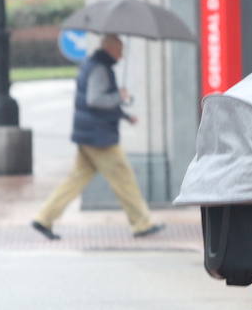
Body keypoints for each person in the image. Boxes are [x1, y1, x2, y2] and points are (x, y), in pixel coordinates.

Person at [32, 33, 164, 240]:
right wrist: (118, 97)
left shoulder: (94, 64)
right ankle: (142, 223)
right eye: (120, 50)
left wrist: (125, 115)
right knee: (124, 178)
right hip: (99, 137)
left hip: (90, 133)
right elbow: (95, 100)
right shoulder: (101, 69)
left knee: (76, 178)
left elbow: (94, 101)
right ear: (110, 48)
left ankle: (44, 217)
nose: (121, 55)